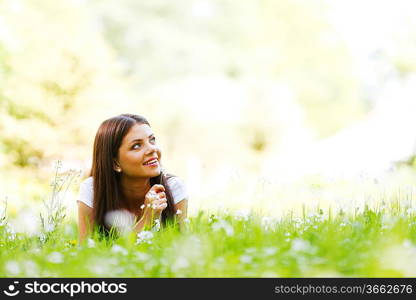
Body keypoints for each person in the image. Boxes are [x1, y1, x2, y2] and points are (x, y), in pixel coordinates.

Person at [77, 114, 188, 243]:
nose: (152, 149)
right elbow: (86, 253)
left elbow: (181, 248)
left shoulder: (173, 188)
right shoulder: (92, 190)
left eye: (152, 140)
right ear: (115, 163)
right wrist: (148, 219)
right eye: (136, 146)